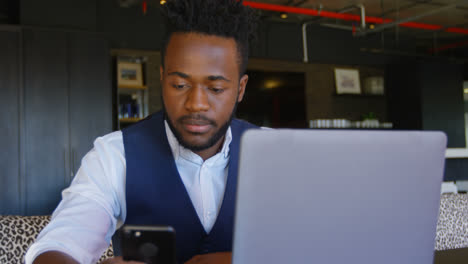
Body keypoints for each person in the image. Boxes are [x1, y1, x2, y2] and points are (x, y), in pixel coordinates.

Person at [25, 0, 258, 263]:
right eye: (179, 84)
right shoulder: (115, 155)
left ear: (240, 88)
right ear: (162, 78)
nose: (196, 103)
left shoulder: (276, 155)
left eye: (215, 89)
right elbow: (59, 243)